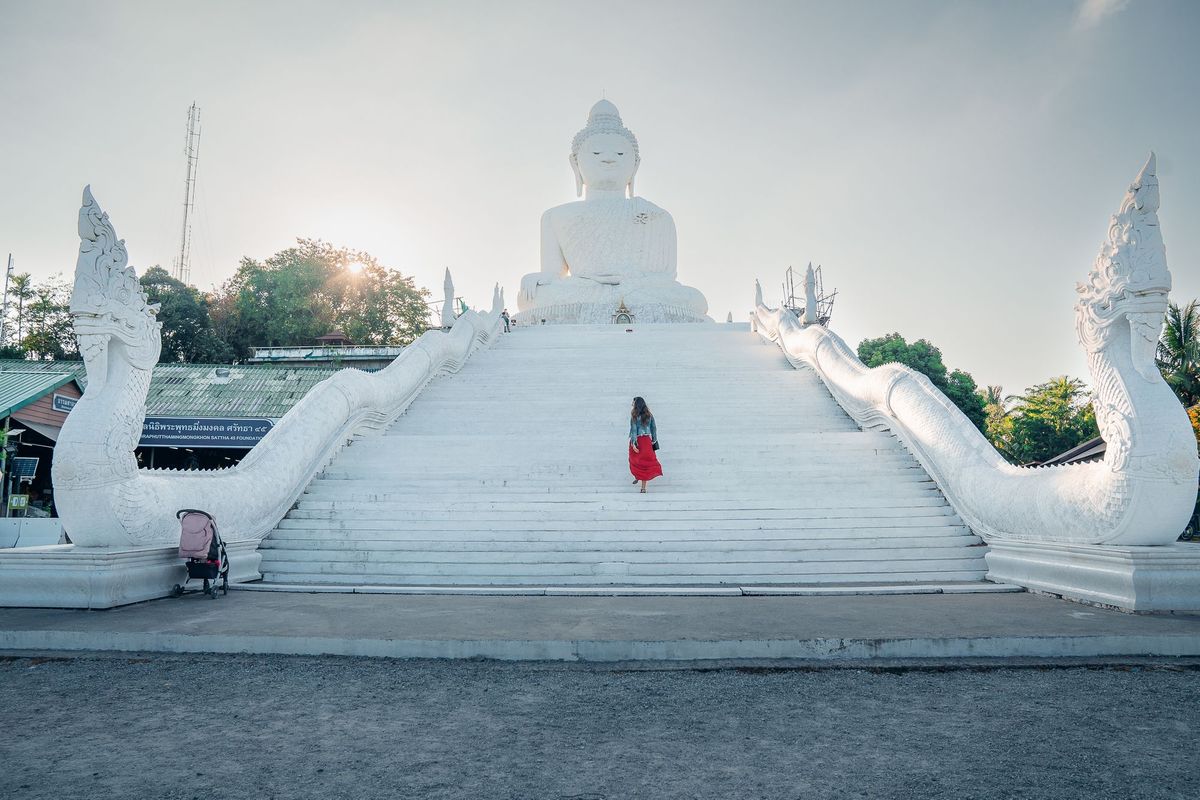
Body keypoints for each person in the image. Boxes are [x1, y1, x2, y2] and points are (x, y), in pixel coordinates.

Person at [628, 396, 662, 493]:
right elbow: (654, 428)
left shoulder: (634, 416)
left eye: (633, 402)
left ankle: (637, 476)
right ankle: (643, 488)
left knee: (635, 460)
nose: (632, 404)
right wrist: (654, 440)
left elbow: (634, 430)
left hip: (638, 440)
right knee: (646, 464)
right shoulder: (649, 415)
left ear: (636, 404)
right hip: (647, 441)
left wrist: (634, 443)